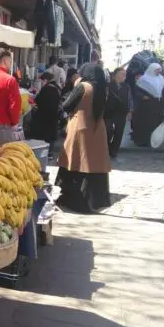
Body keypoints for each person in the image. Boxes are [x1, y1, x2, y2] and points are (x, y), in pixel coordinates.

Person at [55, 63, 111, 214]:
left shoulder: (83, 86)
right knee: (93, 166)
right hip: (98, 130)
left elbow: (66, 105)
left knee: (75, 163)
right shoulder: (103, 89)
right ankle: (93, 201)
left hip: (80, 129)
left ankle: (73, 199)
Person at [131, 63, 164, 146]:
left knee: (155, 123)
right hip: (145, 106)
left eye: (159, 70)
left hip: (157, 105)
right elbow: (136, 91)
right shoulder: (143, 79)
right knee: (145, 124)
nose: (158, 72)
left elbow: (163, 91)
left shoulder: (161, 79)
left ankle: (154, 141)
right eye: (157, 70)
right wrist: (142, 96)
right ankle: (142, 141)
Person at [105, 67, 133, 159]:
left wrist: (129, 111)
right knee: (108, 131)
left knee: (119, 132)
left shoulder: (127, 86)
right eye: (122, 74)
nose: (124, 76)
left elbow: (129, 99)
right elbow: (105, 99)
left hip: (122, 112)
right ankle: (107, 148)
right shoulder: (108, 85)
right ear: (115, 75)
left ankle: (114, 150)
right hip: (109, 112)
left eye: (125, 74)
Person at [33, 71, 62, 153]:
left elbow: (37, 100)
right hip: (54, 115)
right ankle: (50, 153)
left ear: (45, 80)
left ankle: (43, 152)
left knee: (44, 135)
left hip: (44, 116)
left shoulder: (46, 89)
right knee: (51, 135)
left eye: (42, 81)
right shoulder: (57, 87)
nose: (41, 82)